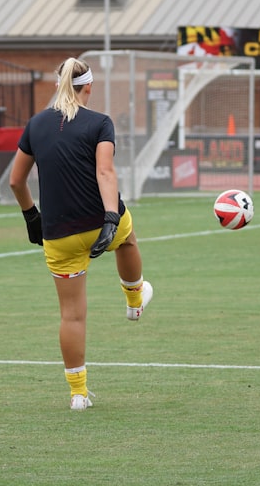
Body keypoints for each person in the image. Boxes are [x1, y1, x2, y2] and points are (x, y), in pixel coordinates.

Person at [9, 57, 153, 411]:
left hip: (58, 234)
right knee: (129, 239)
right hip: (98, 219)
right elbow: (105, 172)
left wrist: (31, 217)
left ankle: (77, 394)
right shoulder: (100, 123)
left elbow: (16, 180)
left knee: (71, 315)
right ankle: (134, 301)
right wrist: (109, 217)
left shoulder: (35, 124)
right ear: (89, 87)